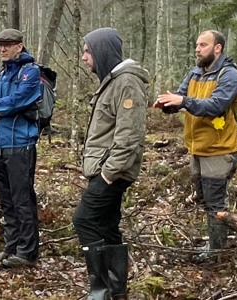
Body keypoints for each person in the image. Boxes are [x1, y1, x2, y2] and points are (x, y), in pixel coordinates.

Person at [153, 30, 237, 263]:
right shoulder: (194, 73)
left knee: (215, 202)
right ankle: (216, 241)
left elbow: (216, 105)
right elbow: (181, 97)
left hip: (219, 150)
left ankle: (217, 253)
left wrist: (183, 101)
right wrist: (168, 105)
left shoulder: (229, 75)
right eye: (196, 45)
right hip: (197, 148)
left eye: (203, 45)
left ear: (218, 48)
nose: (198, 49)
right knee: (204, 198)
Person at [73, 27, 149, 299]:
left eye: (87, 51)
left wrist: (107, 174)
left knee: (83, 219)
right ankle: (116, 292)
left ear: (101, 51)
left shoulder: (127, 82)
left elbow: (129, 137)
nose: (84, 57)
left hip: (113, 172)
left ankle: (101, 291)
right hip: (107, 169)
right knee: (106, 226)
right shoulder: (113, 81)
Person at [0, 29, 41, 268]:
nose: (2, 49)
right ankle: (11, 245)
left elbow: (20, 100)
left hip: (20, 145)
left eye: (8, 45)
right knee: (6, 200)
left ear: (19, 46)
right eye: (0, 45)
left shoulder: (31, 72)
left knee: (23, 199)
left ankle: (27, 251)